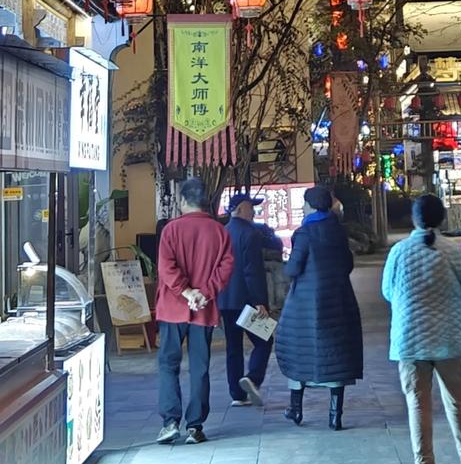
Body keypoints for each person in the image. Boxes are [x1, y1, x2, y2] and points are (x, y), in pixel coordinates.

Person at [382, 194, 461, 464]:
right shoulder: (451, 251)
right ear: (441, 219)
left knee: (417, 405)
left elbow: (388, 291)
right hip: (448, 339)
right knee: (457, 403)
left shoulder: (399, 252)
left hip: (409, 341)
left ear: (413, 219)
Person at [275, 185, 363, 429]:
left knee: (298, 350)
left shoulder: (305, 233)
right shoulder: (338, 231)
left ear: (310, 206)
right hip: (338, 300)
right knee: (337, 355)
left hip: (305, 304)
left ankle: (296, 410)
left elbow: (293, 269)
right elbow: (347, 264)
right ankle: (335, 415)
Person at [155, 177, 234, 445]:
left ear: (183, 201)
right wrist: (204, 293)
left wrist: (186, 292)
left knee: (168, 365)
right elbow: (225, 267)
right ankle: (195, 426)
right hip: (204, 310)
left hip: (172, 309)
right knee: (199, 368)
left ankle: (170, 422)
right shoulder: (219, 232)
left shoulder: (171, 230)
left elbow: (166, 267)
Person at [220, 191, 283, 407]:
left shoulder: (222, 232)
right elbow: (252, 270)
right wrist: (260, 302)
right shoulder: (250, 233)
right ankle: (253, 377)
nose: (254, 211)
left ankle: (237, 394)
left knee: (233, 346)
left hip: (226, 300)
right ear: (239, 210)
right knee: (265, 340)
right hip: (247, 300)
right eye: (250, 207)